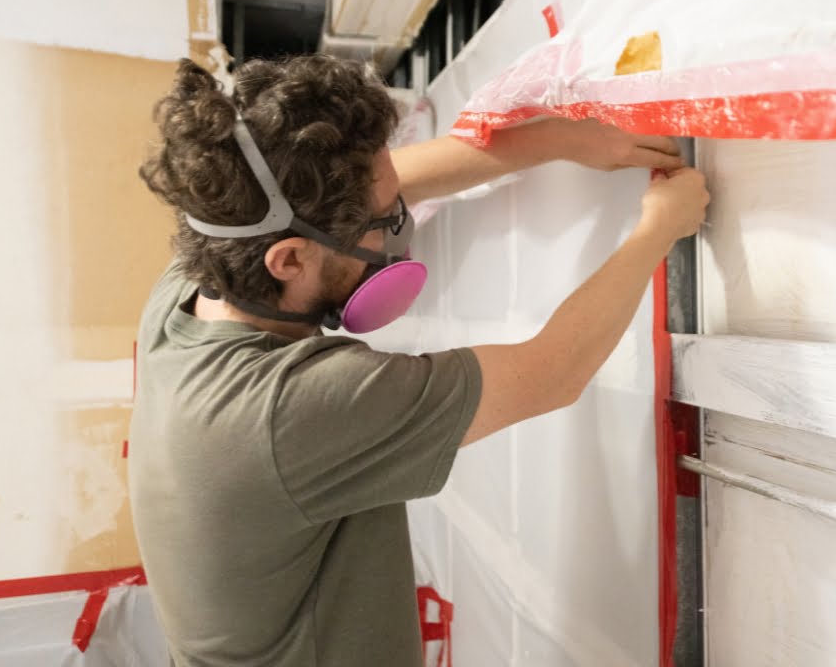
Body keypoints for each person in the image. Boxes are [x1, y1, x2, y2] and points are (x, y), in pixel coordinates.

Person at [132, 54, 709, 666]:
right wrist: (658, 229)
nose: (397, 233)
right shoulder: (288, 410)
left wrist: (558, 138)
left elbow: (382, 183)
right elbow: (551, 374)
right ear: (290, 261)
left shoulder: (193, 288)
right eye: (382, 225)